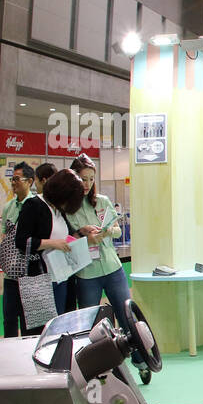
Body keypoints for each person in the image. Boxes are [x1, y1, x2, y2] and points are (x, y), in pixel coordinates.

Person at [68, 155, 149, 382]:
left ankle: (141, 361)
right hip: (86, 273)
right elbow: (67, 240)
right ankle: (100, 370)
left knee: (126, 315)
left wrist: (106, 232)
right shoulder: (68, 209)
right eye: (83, 179)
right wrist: (82, 233)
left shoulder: (102, 201)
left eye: (91, 179)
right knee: (92, 324)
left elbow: (115, 228)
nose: (87, 184)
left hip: (112, 267)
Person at [14, 168, 83, 335]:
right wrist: (53, 243)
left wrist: (81, 232)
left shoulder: (59, 210)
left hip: (60, 276)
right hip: (39, 279)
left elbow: (66, 235)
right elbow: (21, 241)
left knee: (60, 329)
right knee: (41, 333)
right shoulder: (33, 206)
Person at [0, 162, 35, 337]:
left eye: (16, 179)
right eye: (11, 179)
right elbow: (4, 235)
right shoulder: (8, 207)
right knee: (9, 319)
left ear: (29, 181)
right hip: (11, 274)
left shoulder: (37, 205)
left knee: (29, 322)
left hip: (31, 273)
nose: (13, 183)